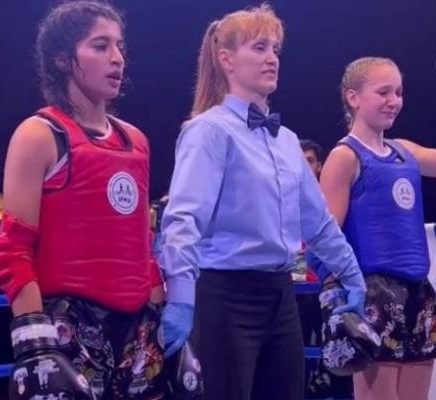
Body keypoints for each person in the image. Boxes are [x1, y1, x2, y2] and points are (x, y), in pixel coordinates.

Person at [158, 5, 365, 400]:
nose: (272, 58)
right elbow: (183, 220)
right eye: (259, 48)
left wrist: (352, 274)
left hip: (281, 295)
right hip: (223, 295)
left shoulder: (286, 140)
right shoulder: (208, 130)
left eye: (275, 49)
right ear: (226, 59)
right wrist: (180, 299)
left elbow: (317, 221)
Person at [0, 2, 164, 398]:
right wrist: (36, 343)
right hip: (67, 326)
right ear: (62, 59)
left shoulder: (136, 142)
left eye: (119, 46)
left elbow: (141, 246)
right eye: (100, 46)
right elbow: (11, 250)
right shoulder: (39, 134)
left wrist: (162, 321)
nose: (117, 58)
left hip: (139, 331)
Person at [311, 42, 436, 399]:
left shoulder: (405, 151)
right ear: (353, 97)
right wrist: (335, 304)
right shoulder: (344, 157)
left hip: (418, 292)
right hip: (370, 293)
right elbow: (323, 240)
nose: (393, 100)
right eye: (383, 92)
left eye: (398, 92)